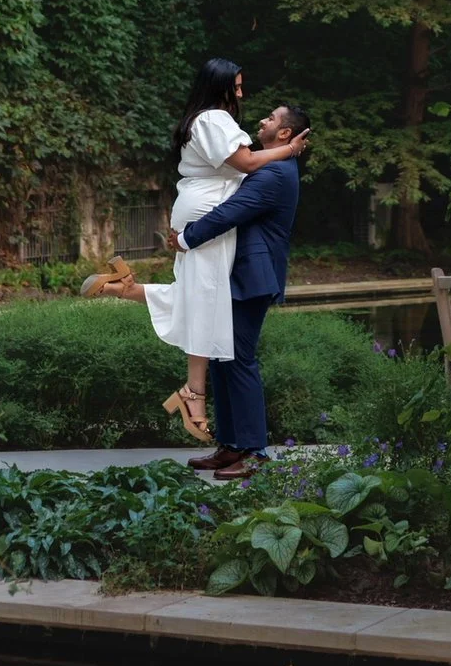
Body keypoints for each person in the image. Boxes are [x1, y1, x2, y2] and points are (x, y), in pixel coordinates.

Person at [79, 59, 309, 441]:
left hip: (208, 227)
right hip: (208, 227)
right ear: (220, 87)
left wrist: (187, 235)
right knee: (206, 309)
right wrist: (288, 150)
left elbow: (242, 175)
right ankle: (197, 399)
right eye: (236, 86)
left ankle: (125, 289)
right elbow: (246, 164)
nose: (242, 95)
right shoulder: (217, 122)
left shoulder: (210, 126)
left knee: (202, 305)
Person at [173, 99, 309, 480]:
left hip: (253, 277)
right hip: (238, 275)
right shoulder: (272, 165)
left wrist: (186, 238)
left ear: (284, 132)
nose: (262, 121)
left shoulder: (275, 173)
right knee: (222, 357)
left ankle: (254, 452)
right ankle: (231, 446)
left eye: (271, 118)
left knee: (240, 359)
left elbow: (230, 212)